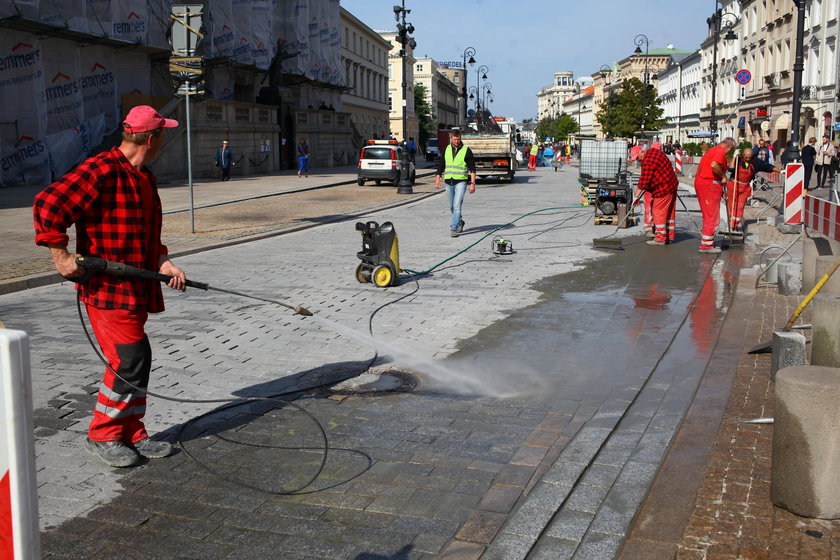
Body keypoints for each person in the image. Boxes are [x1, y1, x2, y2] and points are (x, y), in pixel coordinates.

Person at [32, 105, 186, 468]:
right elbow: (47, 203)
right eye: (162, 133)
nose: (164, 138)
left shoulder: (143, 176)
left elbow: (146, 234)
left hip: (136, 288)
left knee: (139, 360)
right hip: (107, 289)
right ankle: (102, 434)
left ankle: (131, 430)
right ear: (151, 138)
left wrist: (163, 259)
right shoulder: (100, 169)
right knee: (128, 360)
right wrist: (61, 256)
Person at [694, 137, 736, 253]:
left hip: (705, 183)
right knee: (712, 215)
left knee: (708, 213)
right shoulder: (720, 151)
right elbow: (714, 165)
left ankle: (707, 241)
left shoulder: (713, 150)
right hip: (708, 185)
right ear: (730, 147)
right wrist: (723, 176)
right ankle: (706, 245)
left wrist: (721, 191)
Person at [726, 148, 780, 233]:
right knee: (732, 206)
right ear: (743, 155)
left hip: (744, 187)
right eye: (746, 157)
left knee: (740, 207)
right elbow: (730, 170)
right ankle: (730, 225)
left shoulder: (755, 162)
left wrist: (780, 171)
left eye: (749, 157)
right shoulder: (738, 160)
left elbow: (768, 167)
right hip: (734, 185)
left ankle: (735, 225)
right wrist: (734, 157)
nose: (748, 159)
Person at [435, 129, 477, 237]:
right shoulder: (446, 149)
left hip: (461, 181)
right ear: (451, 139)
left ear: (460, 138)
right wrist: (437, 179)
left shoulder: (466, 150)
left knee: (457, 205)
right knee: (451, 206)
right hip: (449, 181)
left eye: (458, 139)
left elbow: (472, 168)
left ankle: (453, 228)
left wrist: (472, 183)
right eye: (455, 139)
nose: (457, 141)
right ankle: (459, 221)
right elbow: (441, 165)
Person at [636, 141, 679, 246]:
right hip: (671, 184)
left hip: (663, 188)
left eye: (637, 158)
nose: (638, 161)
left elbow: (643, 181)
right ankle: (668, 235)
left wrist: (635, 197)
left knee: (658, 211)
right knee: (668, 213)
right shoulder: (653, 152)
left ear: (642, 152)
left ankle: (660, 238)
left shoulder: (647, 161)